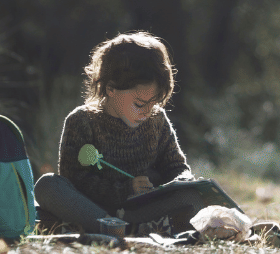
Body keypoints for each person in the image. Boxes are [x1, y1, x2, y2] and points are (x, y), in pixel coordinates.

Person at [34, 31, 205, 236]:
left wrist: (184, 179)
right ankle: (118, 228)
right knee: (48, 185)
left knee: (192, 197)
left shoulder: (156, 120)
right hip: (95, 210)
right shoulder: (81, 121)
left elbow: (175, 166)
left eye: (155, 102)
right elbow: (74, 180)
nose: (147, 111)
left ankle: (128, 229)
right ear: (110, 89)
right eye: (140, 104)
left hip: (141, 211)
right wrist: (124, 189)